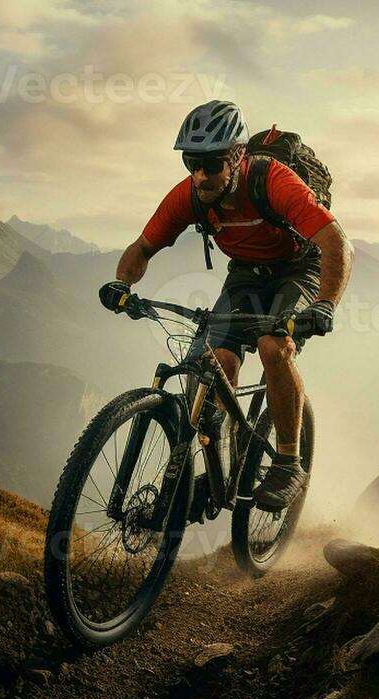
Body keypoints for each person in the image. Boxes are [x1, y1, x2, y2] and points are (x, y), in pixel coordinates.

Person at [99, 101, 353, 511]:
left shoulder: (275, 183)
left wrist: (324, 304)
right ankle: (221, 472)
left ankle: (288, 462)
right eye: (191, 162)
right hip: (246, 273)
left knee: (275, 346)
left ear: (236, 157)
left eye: (212, 163)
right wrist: (121, 283)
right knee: (217, 363)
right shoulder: (191, 195)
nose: (200, 174)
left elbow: (336, 242)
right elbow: (143, 247)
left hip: (298, 268)